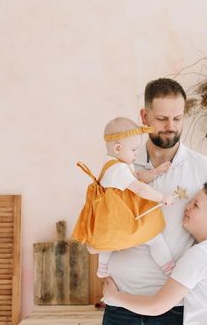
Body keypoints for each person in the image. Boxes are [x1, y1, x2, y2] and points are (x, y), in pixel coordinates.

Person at [103, 78, 207, 325]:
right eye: (162, 119)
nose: (170, 126)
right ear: (144, 116)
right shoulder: (121, 167)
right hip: (119, 306)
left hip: (175, 310)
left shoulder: (204, 169)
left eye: (177, 119)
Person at [103, 182, 207, 325]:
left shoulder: (202, 255)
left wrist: (114, 296)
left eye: (196, 206)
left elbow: (157, 306)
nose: (187, 207)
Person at [72, 117, 176, 277]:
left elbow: (138, 177)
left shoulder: (114, 165)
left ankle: (103, 267)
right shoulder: (118, 170)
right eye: (134, 150)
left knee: (109, 241)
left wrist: (154, 173)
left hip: (113, 218)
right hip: (123, 216)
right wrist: (162, 198)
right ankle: (169, 268)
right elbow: (140, 188)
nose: (136, 154)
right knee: (154, 235)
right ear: (118, 148)